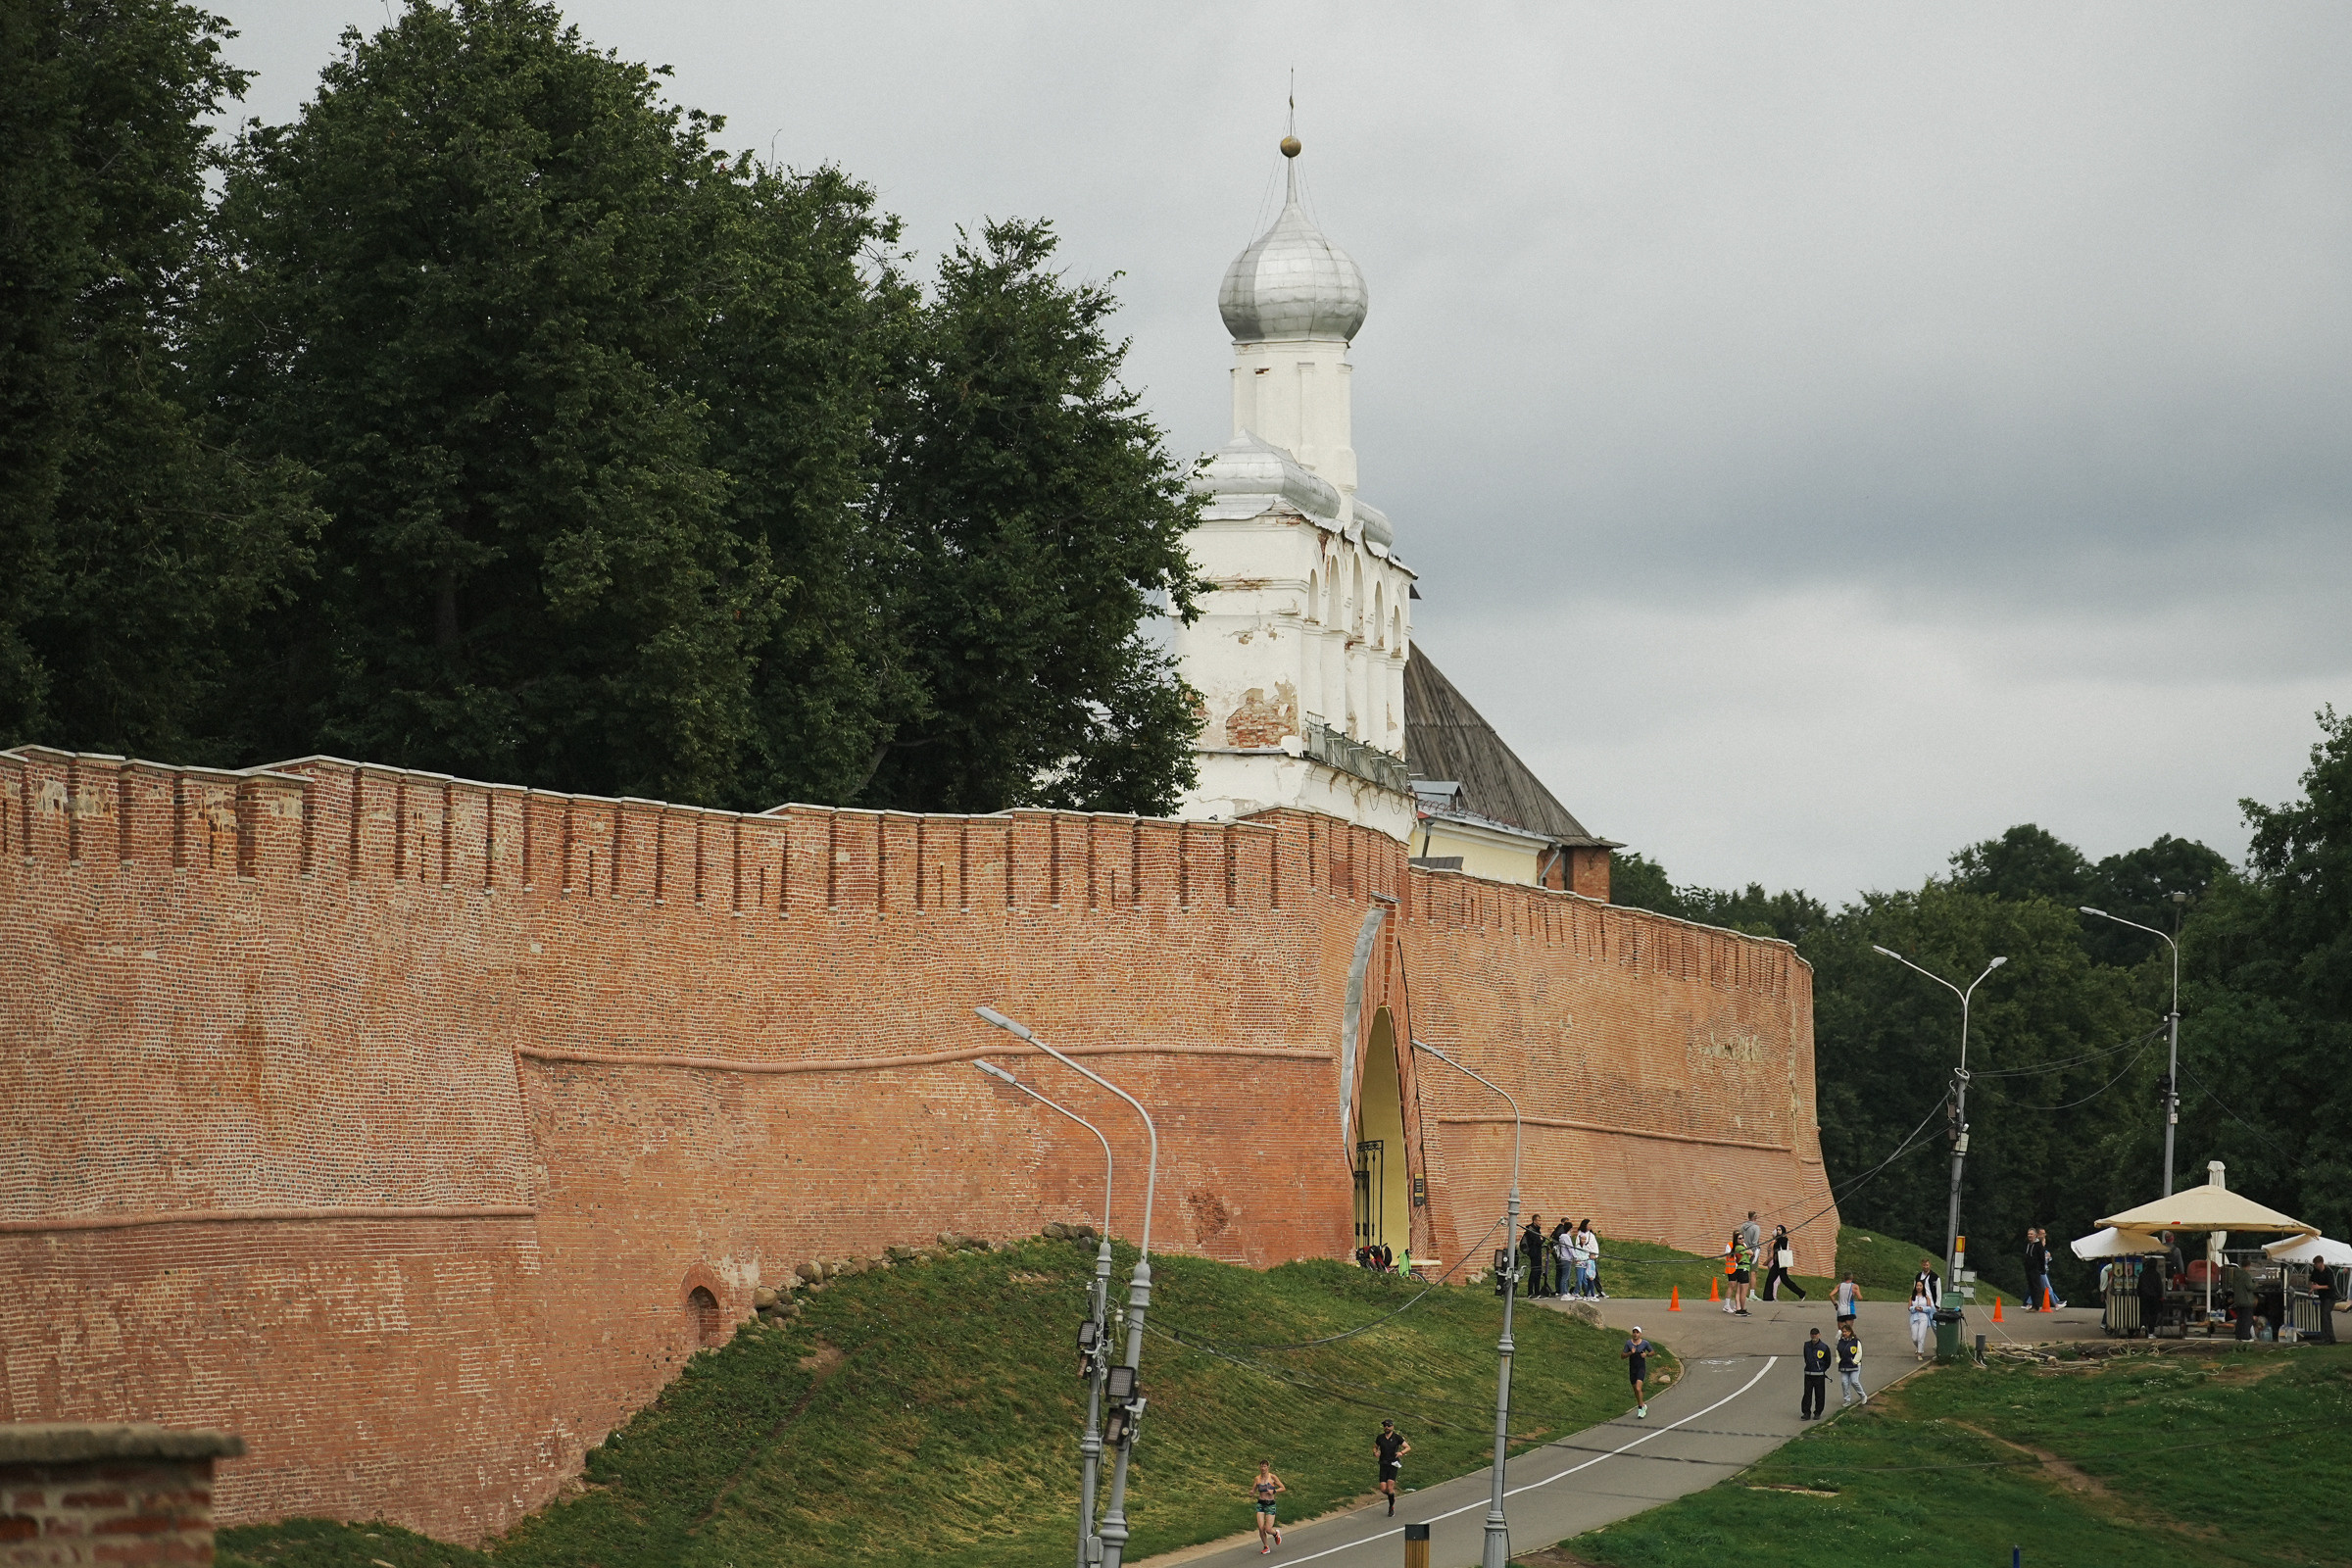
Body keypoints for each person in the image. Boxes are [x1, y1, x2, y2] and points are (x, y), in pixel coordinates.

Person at [1374, 1419, 1410, 1516]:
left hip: (1393, 1464)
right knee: (1383, 1489)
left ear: (1392, 1427)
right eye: (1385, 1426)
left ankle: (1391, 1508)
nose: (1386, 1427)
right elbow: (1375, 1447)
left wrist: (1401, 1453)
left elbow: (1408, 1447)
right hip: (1383, 1464)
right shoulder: (1380, 1437)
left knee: (1389, 1486)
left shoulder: (1397, 1437)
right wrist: (1375, 1452)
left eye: (1388, 1426)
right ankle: (1391, 1495)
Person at [1251, 1459, 1287, 1553]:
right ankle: (1266, 1546)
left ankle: (1275, 1534)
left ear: (1268, 1467)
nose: (1263, 1468)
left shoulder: (1272, 1477)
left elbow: (1283, 1488)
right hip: (1260, 1504)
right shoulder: (1257, 1478)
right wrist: (1251, 1492)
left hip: (1270, 1504)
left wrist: (1274, 1491)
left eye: (1265, 1466)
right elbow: (1254, 1489)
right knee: (1260, 1527)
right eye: (1261, 1466)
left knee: (1268, 1529)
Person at [1763, 1224, 1805, 1301]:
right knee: (1770, 1279)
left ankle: (1801, 1293)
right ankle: (1768, 1297)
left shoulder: (1783, 1239)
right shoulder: (1777, 1240)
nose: (1778, 1231)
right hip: (1776, 1263)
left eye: (1779, 1230)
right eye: (1777, 1230)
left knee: (1785, 1280)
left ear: (1783, 1231)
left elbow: (1782, 1247)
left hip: (1781, 1263)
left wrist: (1778, 1237)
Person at [1621, 1325, 1655, 1419]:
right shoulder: (1628, 1343)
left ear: (1640, 1334)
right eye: (1634, 1332)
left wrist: (1646, 1355)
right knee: (1635, 1390)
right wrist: (1630, 1353)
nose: (1635, 1334)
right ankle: (1642, 1404)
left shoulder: (1645, 1343)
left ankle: (1641, 1409)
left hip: (1641, 1367)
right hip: (1632, 1368)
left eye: (1637, 1332)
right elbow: (1622, 1356)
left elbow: (1652, 1352)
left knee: (1638, 1388)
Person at [1799, 1326, 1831, 1420]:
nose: (1814, 1336)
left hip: (1819, 1375)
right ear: (1810, 1335)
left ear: (1819, 1335)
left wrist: (1821, 1369)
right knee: (1807, 1394)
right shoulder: (1807, 1345)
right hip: (1808, 1374)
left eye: (1816, 1334)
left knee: (1820, 1395)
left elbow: (1828, 1361)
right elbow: (1806, 1357)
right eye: (1812, 1334)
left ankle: (1818, 1412)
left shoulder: (1824, 1347)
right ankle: (1806, 1413)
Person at [2136, 1250, 2168, 1338]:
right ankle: (2151, 1333)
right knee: (2153, 1315)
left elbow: (2139, 1286)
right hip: (2154, 1297)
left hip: (2144, 1296)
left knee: (2144, 1312)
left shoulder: (2142, 1274)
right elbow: (2159, 1287)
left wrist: (2139, 1294)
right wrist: (2160, 1297)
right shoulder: (2156, 1274)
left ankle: (2143, 1325)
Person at [1836, 1322, 1865, 1408]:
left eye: (1846, 1331)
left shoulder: (1856, 1341)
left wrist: (1855, 1361)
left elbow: (1859, 1352)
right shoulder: (1840, 1341)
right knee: (1844, 1382)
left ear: (1850, 1332)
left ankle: (1862, 1395)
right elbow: (1837, 1350)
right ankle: (1847, 1400)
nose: (1844, 1333)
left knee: (1854, 1381)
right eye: (1843, 1332)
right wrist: (1838, 1359)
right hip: (1844, 1365)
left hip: (1854, 1365)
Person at [1522, 1215, 1549, 1298]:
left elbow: (1541, 1239)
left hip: (1538, 1252)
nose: (1540, 1222)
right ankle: (1530, 1292)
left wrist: (1541, 1239)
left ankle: (1537, 1292)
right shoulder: (1531, 1230)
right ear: (1534, 1221)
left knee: (1538, 1272)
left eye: (1541, 1220)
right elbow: (1539, 1241)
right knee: (1534, 1271)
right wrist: (1541, 1239)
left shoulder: (1537, 1230)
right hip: (1533, 1253)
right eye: (1538, 1220)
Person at [1907, 1275, 1933, 1360]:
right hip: (1914, 1318)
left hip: (1923, 1318)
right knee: (1915, 1337)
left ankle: (1920, 1353)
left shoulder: (1926, 1297)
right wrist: (1914, 1308)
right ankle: (1918, 1347)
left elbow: (1929, 1308)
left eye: (1920, 1286)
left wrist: (1923, 1309)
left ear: (1923, 1287)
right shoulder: (1912, 1297)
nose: (1918, 1287)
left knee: (1921, 1336)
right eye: (1917, 1286)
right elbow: (1909, 1308)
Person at [2024, 1227, 2048, 1311]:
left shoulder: (2038, 1245)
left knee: (2036, 1286)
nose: (2029, 1235)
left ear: (2035, 1235)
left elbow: (2042, 1258)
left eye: (2031, 1234)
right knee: (2031, 1286)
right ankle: (2032, 1304)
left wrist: (2042, 1269)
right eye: (2028, 1234)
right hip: (2028, 1269)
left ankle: (2036, 1305)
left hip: (2036, 1269)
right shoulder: (2028, 1244)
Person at [1579, 1218, 1604, 1298]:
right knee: (1585, 1275)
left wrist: (1595, 1255)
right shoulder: (1580, 1234)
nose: (1591, 1226)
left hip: (1592, 1257)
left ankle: (1599, 1290)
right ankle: (1587, 1291)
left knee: (1594, 1274)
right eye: (1589, 1224)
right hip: (1584, 1258)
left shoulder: (1591, 1235)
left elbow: (1594, 1246)